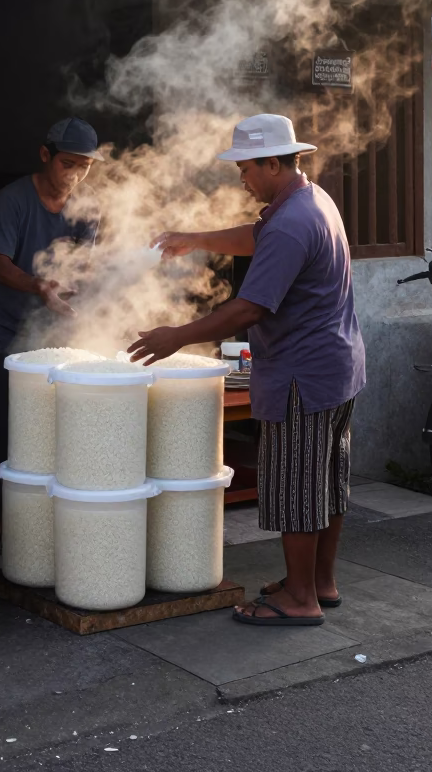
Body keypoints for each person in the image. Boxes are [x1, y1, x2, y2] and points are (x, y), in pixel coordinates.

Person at [129, 113, 365, 628]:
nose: (242, 179)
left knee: (297, 488)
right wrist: (194, 238)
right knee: (326, 483)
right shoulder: (311, 200)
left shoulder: (292, 222)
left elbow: (250, 308)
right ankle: (320, 583)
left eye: (246, 168)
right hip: (339, 367)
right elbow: (258, 237)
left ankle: (299, 599)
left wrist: (176, 336)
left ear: (273, 164)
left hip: (302, 376)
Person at [0, 117, 102, 534]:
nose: (75, 175)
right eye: (68, 163)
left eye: (85, 166)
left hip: (57, 332)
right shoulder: (12, 200)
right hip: (5, 328)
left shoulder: (88, 206)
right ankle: (7, 515)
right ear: (45, 155)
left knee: (58, 421)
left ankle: (53, 514)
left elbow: (85, 266)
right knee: (4, 424)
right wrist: (40, 286)